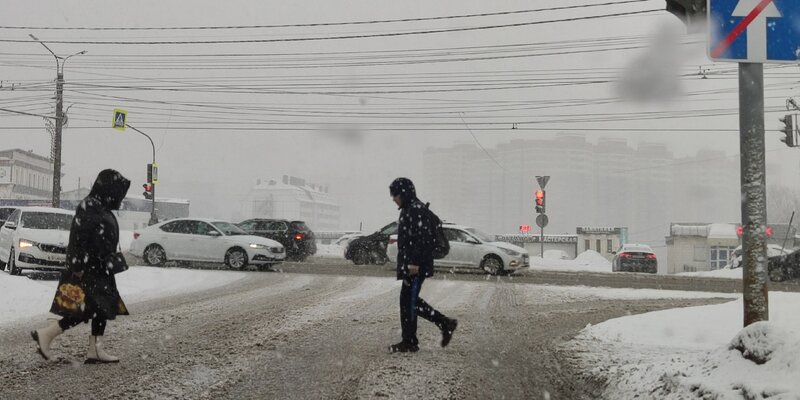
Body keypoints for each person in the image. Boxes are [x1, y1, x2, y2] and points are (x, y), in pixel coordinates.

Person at [32, 169, 131, 364]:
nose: (119, 196)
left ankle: (95, 350)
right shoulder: (91, 207)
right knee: (86, 309)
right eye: (117, 191)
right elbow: (79, 238)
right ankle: (47, 335)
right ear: (108, 188)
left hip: (99, 268)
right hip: (89, 269)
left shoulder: (99, 206)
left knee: (99, 309)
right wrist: (78, 265)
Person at [388, 177, 457, 353]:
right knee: (409, 301)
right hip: (413, 264)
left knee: (408, 302)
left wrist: (414, 263)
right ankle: (443, 323)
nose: (393, 198)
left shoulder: (415, 210)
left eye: (394, 194)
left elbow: (422, 241)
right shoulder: (410, 209)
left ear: (403, 193)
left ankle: (411, 341)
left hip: (416, 266)